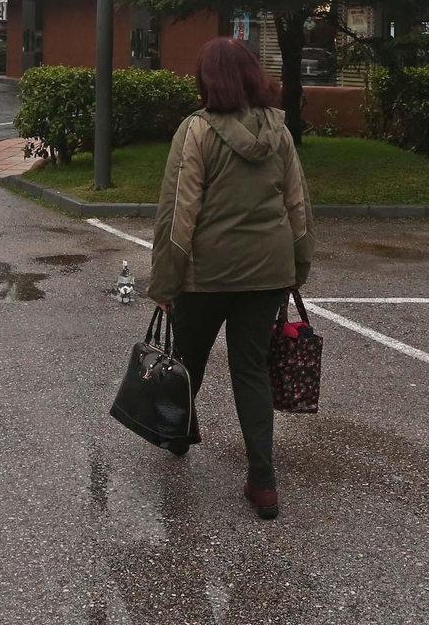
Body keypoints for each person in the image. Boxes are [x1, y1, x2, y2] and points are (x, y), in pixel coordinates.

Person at [147, 37, 313, 520]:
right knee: (251, 371)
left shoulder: (196, 131)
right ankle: (263, 483)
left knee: (187, 363)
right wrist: (298, 267)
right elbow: (297, 205)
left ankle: (176, 437)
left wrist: (165, 283)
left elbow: (178, 212)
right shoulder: (279, 133)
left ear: (208, 80)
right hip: (267, 273)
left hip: (206, 274)